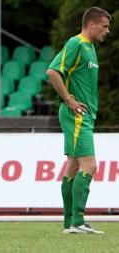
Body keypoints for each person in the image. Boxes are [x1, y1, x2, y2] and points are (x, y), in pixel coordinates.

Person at [47, 7, 110, 234]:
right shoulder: (77, 43)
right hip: (77, 116)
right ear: (91, 24)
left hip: (84, 116)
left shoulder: (90, 48)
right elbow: (53, 71)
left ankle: (69, 224)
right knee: (90, 166)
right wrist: (69, 100)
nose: (107, 31)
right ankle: (78, 222)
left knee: (73, 167)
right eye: (104, 26)